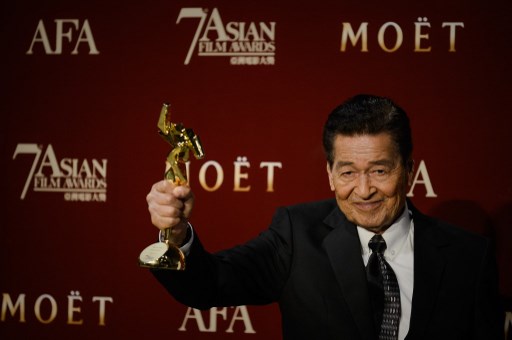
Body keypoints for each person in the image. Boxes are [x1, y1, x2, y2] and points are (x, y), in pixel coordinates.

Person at [145, 94, 503, 340]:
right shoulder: (296, 235)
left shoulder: (469, 257)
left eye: (380, 171)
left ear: (408, 171)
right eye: (348, 173)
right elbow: (211, 283)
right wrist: (176, 237)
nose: (363, 191)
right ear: (330, 173)